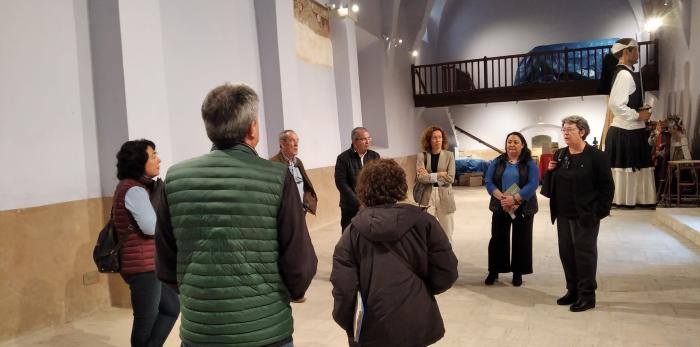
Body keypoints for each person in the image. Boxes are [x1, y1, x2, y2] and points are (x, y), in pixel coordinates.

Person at [158, 83, 318, 347]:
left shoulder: (175, 178)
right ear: (252, 128)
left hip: (201, 331)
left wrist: (201, 296)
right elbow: (300, 263)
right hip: (266, 331)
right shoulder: (276, 177)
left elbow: (165, 263)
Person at [330, 159, 458, 346]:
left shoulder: (352, 233)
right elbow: (447, 272)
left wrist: (350, 324)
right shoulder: (424, 222)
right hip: (415, 320)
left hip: (372, 326)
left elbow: (344, 288)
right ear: (401, 185)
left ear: (363, 189)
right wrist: (421, 292)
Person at [542, 116, 614, 312]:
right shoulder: (560, 154)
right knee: (567, 254)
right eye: (563, 129)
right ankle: (572, 290)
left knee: (584, 255)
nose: (565, 133)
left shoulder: (596, 156)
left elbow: (607, 186)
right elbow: (550, 186)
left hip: (586, 215)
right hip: (563, 214)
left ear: (582, 131)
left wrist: (599, 212)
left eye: (570, 129)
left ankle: (587, 295)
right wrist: (549, 172)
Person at [113, 139, 179, 347]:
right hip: (143, 267)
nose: (158, 159)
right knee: (145, 320)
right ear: (139, 161)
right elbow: (151, 227)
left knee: (171, 307)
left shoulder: (135, 187)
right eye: (153, 156)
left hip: (149, 264)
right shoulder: (133, 189)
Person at [483, 132, 539, 286]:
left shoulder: (529, 163)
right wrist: (502, 198)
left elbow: (533, 183)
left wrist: (515, 199)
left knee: (522, 240)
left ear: (522, 145)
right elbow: (488, 180)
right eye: (509, 142)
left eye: (515, 142)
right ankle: (494, 270)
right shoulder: (498, 161)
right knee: (497, 239)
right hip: (501, 205)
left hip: (523, 206)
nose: (512, 145)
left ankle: (518, 272)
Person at [605, 38, 656, 208]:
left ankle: (634, 199)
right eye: (636, 50)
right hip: (625, 130)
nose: (638, 54)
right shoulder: (624, 74)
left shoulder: (626, 73)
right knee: (628, 166)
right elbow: (615, 104)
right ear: (626, 52)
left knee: (637, 166)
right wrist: (636, 115)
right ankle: (625, 200)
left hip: (631, 130)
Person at [334, 127, 380, 232]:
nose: (367, 141)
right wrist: (358, 203)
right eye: (364, 139)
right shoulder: (343, 158)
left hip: (371, 204)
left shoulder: (375, 156)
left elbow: (379, 179)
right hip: (350, 206)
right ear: (354, 141)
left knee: (370, 233)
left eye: (369, 138)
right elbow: (341, 183)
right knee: (349, 233)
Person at [416, 126, 456, 241]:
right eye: (434, 137)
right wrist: (439, 174)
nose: (438, 140)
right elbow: (420, 178)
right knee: (428, 233)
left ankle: (448, 258)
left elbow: (450, 179)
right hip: (427, 196)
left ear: (443, 140)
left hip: (445, 195)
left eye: (440, 137)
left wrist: (428, 176)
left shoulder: (449, 155)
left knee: (447, 232)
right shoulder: (422, 156)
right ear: (429, 140)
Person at [270, 130, 318, 215]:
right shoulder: (274, 163)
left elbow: (306, 185)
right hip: (286, 214)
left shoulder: (298, 162)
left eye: (297, 141)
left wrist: (306, 204)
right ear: (282, 144)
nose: (296, 144)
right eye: (292, 140)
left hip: (301, 211)